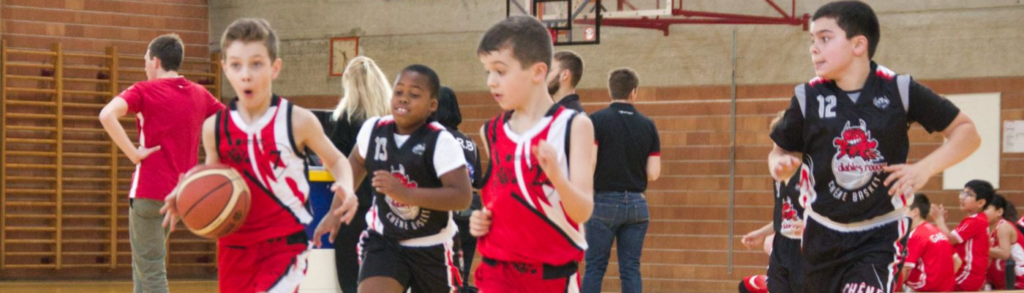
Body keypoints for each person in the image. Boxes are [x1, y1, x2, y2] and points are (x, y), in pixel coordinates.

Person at [767, 1, 981, 292]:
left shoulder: (899, 90)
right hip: (821, 233)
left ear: (858, 45)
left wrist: (925, 167)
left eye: (825, 38)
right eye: (812, 40)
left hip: (879, 234)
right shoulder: (808, 97)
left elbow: (967, 132)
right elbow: (779, 149)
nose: (814, 48)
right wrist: (778, 163)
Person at [161, 18, 360, 293]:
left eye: (256, 64)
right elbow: (212, 179)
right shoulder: (215, 127)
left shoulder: (297, 121)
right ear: (225, 69)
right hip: (234, 245)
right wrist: (186, 194)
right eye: (236, 65)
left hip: (284, 246)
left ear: (274, 68)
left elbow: (337, 160)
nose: (246, 74)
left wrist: (347, 188)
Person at [318, 65, 473, 293]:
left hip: (432, 246)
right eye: (398, 92)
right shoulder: (374, 129)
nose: (404, 99)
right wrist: (334, 212)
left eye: (414, 95)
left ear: (432, 106)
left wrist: (407, 194)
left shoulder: (441, 141)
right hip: (384, 241)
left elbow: (462, 197)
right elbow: (355, 165)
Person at [470, 15, 597, 293]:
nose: (491, 81)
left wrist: (558, 180)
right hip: (497, 272)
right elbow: (496, 200)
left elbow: (584, 210)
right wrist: (481, 219)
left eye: (500, 71)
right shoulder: (490, 132)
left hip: (551, 277)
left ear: (538, 72)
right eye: (487, 71)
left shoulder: (574, 126)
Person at [98, 33, 225, 293]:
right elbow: (230, 121)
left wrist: (134, 154)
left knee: (152, 270)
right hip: (181, 195)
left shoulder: (143, 90)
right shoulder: (200, 94)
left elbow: (107, 115)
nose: (144, 65)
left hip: (148, 191)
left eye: (145, 59)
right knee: (144, 266)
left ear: (155, 61)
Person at [581, 68, 660, 293]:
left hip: (603, 202)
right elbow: (654, 172)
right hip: (637, 204)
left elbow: (591, 162)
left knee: (595, 267)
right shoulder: (648, 125)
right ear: (634, 92)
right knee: (631, 268)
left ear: (610, 90)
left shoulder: (595, 120)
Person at [328, 56, 392, 293]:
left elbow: (334, 161)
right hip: (387, 207)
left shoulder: (347, 117)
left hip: (354, 207)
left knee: (350, 278)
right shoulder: (391, 119)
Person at [742, 111, 806, 293]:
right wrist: (762, 232)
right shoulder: (779, 172)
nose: (775, 148)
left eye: (779, 142)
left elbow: (834, 212)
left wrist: (811, 225)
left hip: (806, 247)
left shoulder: (809, 170)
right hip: (782, 246)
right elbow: (785, 214)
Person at [433, 86, 485, 291]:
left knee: (439, 277)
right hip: (468, 213)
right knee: (459, 279)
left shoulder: (435, 137)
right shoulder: (470, 142)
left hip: (442, 214)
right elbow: (478, 181)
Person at [933, 180, 995, 291]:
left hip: (967, 276)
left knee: (935, 285)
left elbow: (949, 239)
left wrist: (939, 220)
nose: (962, 197)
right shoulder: (977, 219)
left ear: (980, 203)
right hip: (970, 276)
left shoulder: (975, 221)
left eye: (968, 195)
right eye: (962, 192)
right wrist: (941, 222)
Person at [902, 194, 957, 292]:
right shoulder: (938, 231)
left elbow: (905, 269)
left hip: (926, 287)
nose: (900, 215)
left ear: (915, 212)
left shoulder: (916, 235)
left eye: (903, 210)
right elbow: (957, 261)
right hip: (946, 288)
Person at [984, 194, 1024, 289]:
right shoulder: (987, 230)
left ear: (999, 212)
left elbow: (1004, 253)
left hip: (1019, 281)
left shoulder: (1003, 227)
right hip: (1001, 282)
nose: (981, 213)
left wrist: (980, 248)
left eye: (986, 208)